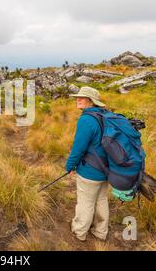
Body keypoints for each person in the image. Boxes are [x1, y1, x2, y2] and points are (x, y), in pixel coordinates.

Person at [65, 86, 109, 242]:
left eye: (82, 97)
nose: (78, 99)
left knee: (86, 201)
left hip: (90, 171)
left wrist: (69, 165)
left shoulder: (86, 120)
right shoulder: (106, 115)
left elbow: (78, 148)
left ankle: (80, 232)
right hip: (107, 169)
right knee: (101, 199)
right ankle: (101, 231)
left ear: (91, 101)